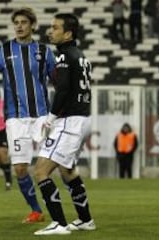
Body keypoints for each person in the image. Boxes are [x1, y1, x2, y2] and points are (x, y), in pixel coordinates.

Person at [0, 7, 55, 223]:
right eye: (16, 23)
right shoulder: (4, 50)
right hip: (15, 118)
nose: (19, 26)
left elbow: (58, 79)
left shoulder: (44, 52)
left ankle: (73, 211)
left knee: (61, 164)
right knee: (20, 168)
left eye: (23, 22)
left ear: (32, 25)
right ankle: (36, 210)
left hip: (42, 116)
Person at [33, 13, 96, 235]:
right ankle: (85, 220)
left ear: (68, 33)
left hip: (69, 121)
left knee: (41, 171)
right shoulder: (81, 56)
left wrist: (50, 117)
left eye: (55, 28)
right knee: (67, 170)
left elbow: (63, 90)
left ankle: (59, 224)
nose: (50, 31)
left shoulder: (63, 57)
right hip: (83, 118)